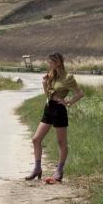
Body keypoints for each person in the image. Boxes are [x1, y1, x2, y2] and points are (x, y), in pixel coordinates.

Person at [25, 53, 85, 184]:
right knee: (36, 139)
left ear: (58, 62)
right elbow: (48, 94)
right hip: (49, 108)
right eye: (49, 62)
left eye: (51, 62)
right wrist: (44, 83)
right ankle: (37, 168)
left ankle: (59, 170)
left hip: (59, 110)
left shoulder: (68, 77)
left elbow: (80, 93)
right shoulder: (51, 74)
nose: (49, 64)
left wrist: (68, 102)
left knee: (61, 142)